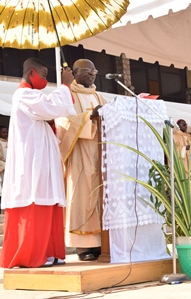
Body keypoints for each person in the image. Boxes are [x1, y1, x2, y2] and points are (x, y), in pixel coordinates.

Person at [0, 57, 75, 268]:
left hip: (42, 159)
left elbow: (51, 110)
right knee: (35, 200)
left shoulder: (32, 95)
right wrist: (65, 85)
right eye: (43, 75)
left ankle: (50, 252)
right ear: (31, 73)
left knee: (48, 201)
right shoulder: (23, 94)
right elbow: (51, 107)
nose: (45, 80)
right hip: (32, 161)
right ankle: (32, 256)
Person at [56, 59, 107, 261]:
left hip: (100, 154)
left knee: (99, 199)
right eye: (87, 71)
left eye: (94, 71)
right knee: (80, 195)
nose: (92, 74)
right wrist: (88, 119)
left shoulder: (98, 95)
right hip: (79, 154)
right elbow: (62, 122)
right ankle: (82, 247)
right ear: (75, 72)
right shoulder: (69, 95)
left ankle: (101, 243)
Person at [0, 126, 6, 208]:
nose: (6, 134)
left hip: (9, 167)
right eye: (3, 132)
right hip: (2, 166)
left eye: (6, 132)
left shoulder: (11, 141)